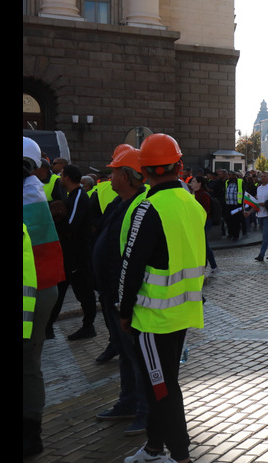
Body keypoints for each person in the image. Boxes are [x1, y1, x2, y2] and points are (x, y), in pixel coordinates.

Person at [119, 133, 205, 463]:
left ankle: (181, 457)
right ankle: (155, 448)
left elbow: (130, 265)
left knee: (162, 389)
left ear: (144, 171)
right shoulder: (192, 205)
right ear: (179, 166)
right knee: (163, 385)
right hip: (182, 313)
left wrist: (123, 310)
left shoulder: (147, 208)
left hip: (153, 317)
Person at [91, 144, 150, 436]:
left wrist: (121, 297)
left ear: (127, 176)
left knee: (138, 357)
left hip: (125, 296)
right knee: (127, 356)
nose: (109, 176)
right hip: (111, 293)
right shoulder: (119, 204)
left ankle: (144, 412)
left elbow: (131, 257)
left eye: (114, 171)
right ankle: (127, 403)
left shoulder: (140, 207)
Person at [23, 137, 66, 458]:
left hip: (31, 291)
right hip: (43, 290)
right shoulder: (35, 192)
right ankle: (32, 434)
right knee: (30, 364)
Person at [48, 164, 98, 341]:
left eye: (61, 175)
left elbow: (70, 223)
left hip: (78, 254)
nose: (60, 178)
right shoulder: (72, 196)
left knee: (83, 290)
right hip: (69, 254)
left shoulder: (78, 196)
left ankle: (88, 326)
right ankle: (48, 328)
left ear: (67, 177)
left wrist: (52, 223)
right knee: (61, 290)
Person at [189, 176, 218, 274]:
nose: (191, 183)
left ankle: (213, 266)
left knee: (204, 244)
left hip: (206, 221)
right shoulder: (192, 194)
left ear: (199, 183)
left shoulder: (203, 194)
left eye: (193, 181)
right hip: (196, 222)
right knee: (201, 244)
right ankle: (204, 266)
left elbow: (206, 210)